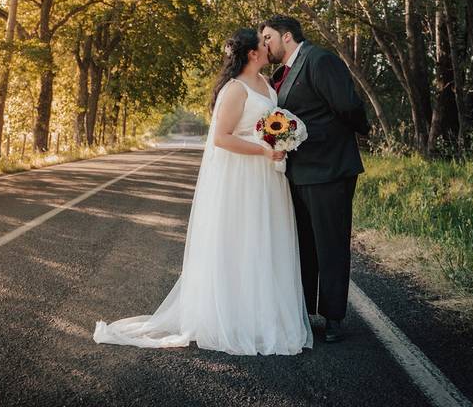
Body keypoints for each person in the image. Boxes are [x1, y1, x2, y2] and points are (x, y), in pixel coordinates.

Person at [93, 28, 313, 355]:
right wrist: (264, 150)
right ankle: (234, 318)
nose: (269, 45)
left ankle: (264, 314)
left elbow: (271, 124)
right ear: (252, 53)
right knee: (241, 242)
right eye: (263, 43)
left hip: (268, 179)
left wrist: (280, 142)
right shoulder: (235, 90)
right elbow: (222, 138)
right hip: (243, 178)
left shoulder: (267, 84)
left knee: (265, 241)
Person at [259, 14, 370, 343]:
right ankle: (305, 312)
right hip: (298, 173)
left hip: (330, 170)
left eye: (268, 37)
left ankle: (333, 316)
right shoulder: (282, 72)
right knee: (303, 246)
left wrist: (361, 134)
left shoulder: (320, 60)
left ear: (287, 36)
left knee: (331, 246)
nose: (265, 44)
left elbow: (348, 106)